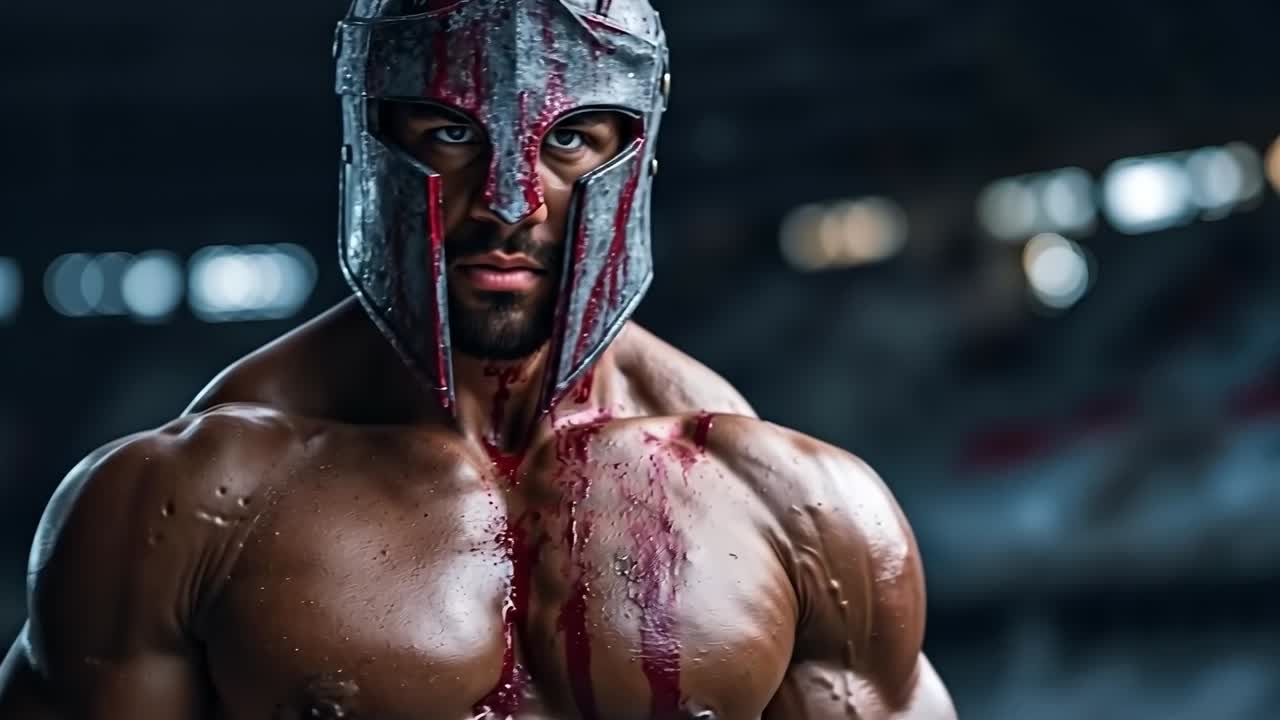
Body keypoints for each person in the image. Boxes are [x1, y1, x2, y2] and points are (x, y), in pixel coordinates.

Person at [0, 1, 956, 718]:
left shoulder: (799, 511)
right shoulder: (176, 506)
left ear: (637, 149)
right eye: (452, 133)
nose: (508, 203)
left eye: (572, 139)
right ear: (372, 144)